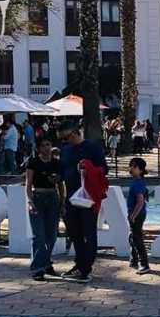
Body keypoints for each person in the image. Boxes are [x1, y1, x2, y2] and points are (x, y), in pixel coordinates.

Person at [58, 120, 108, 283]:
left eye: (66, 138)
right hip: (71, 196)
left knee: (88, 232)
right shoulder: (65, 151)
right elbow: (61, 170)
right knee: (75, 233)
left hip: (88, 197)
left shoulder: (92, 148)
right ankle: (79, 264)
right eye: (62, 139)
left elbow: (103, 169)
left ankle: (86, 267)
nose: (65, 142)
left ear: (75, 133)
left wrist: (88, 168)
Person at [26, 138, 64, 282]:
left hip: (53, 198)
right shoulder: (33, 162)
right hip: (38, 197)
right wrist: (30, 202)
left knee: (52, 235)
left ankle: (46, 262)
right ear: (39, 148)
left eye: (48, 144)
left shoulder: (56, 163)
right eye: (43, 145)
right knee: (39, 235)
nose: (46, 148)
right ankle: (37, 268)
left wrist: (62, 202)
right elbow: (28, 184)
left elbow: (61, 185)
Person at [127, 157, 150, 275]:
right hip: (136, 214)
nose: (131, 168)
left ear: (141, 170)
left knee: (137, 239)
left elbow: (140, 201)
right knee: (133, 237)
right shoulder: (137, 182)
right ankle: (134, 259)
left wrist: (133, 215)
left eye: (135, 167)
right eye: (130, 166)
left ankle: (144, 264)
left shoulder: (137, 183)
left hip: (137, 214)